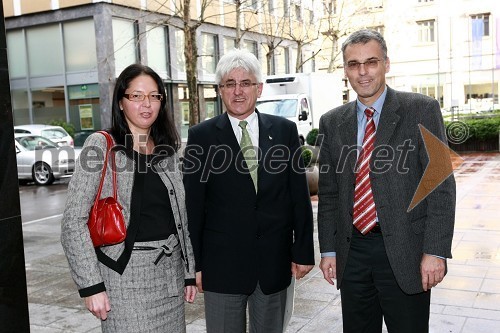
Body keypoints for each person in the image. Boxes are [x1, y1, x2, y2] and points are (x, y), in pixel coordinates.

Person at [317, 29, 456, 333]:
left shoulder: (421, 109)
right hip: (353, 253)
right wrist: (328, 250)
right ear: (345, 70)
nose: (363, 72)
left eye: (371, 62)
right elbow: (328, 194)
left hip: (407, 251)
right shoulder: (331, 122)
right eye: (353, 64)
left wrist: (435, 251)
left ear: (386, 64)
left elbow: (441, 186)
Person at [183, 49, 315, 333]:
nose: (238, 91)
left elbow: (298, 197)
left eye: (246, 83)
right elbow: (193, 207)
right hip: (222, 268)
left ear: (259, 88)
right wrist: (194, 265)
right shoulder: (201, 137)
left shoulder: (284, 131)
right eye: (230, 84)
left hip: (274, 265)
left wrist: (303, 250)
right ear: (220, 91)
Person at [61, 64, 196, 332]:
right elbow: (73, 221)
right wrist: (92, 285)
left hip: (169, 280)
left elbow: (180, 216)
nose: (147, 104)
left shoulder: (168, 150)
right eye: (137, 96)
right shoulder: (101, 146)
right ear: (121, 102)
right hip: (124, 280)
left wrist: (189, 272)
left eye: (154, 96)